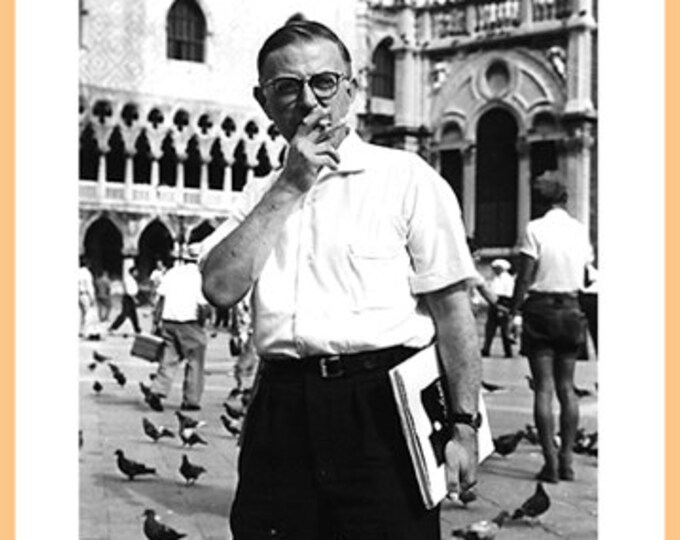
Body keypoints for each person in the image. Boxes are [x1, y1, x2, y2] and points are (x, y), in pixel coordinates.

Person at [200, 19, 481, 539]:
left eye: (324, 82)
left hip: (381, 411)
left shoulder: (407, 178)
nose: (309, 100)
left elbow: (453, 311)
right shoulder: (259, 195)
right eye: (287, 87)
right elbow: (219, 287)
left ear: (351, 89)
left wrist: (464, 426)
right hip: (281, 411)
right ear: (264, 101)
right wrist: (289, 186)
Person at [507, 172, 594, 483]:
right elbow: (586, 273)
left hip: (540, 310)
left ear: (539, 200)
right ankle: (567, 459)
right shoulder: (580, 230)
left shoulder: (534, 229)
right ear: (564, 198)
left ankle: (550, 463)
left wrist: (513, 312)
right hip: (571, 309)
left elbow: (524, 277)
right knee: (567, 388)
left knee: (543, 388)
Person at [144, 244, 210, 412]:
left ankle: (157, 390)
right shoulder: (199, 276)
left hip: (169, 322)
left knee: (169, 358)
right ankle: (191, 399)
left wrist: (156, 322)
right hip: (189, 323)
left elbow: (161, 299)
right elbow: (203, 306)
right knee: (195, 361)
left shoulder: (172, 273)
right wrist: (202, 324)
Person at [479, 259, 515, 358]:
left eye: (496, 268)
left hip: (504, 301)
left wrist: (504, 307)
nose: (494, 270)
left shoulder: (508, 279)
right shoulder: (495, 279)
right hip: (494, 302)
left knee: (505, 330)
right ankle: (486, 349)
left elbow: (509, 293)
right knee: (490, 329)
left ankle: (508, 351)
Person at [108, 265, 141, 335]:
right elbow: (128, 290)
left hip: (131, 297)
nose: (137, 273)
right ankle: (113, 327)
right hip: (128, 298)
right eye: (136, 271)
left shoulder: (133, 280)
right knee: (124, 314)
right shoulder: (128, 279)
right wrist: (134, 298)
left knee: (133, 314)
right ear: (133, 272)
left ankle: (137, 329)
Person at [78, 255, 98, 339]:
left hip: (78, 294)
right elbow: (89, 286)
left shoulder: (77, 272)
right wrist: (92, 297)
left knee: (80, 313)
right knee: (88, 313)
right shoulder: (87, 273)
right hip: (85, 294)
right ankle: (88, 331)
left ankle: (80, 330)